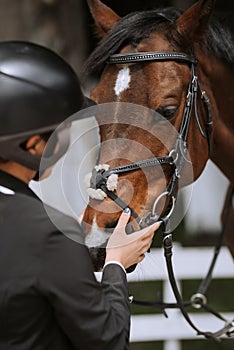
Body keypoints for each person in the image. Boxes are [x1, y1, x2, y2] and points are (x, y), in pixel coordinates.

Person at [0, 41, 160, 350]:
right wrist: (116, 263)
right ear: (32, 146)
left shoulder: (43, 234)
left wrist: (67, 253)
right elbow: (108, 340)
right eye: (63, 130)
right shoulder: (47, 234)